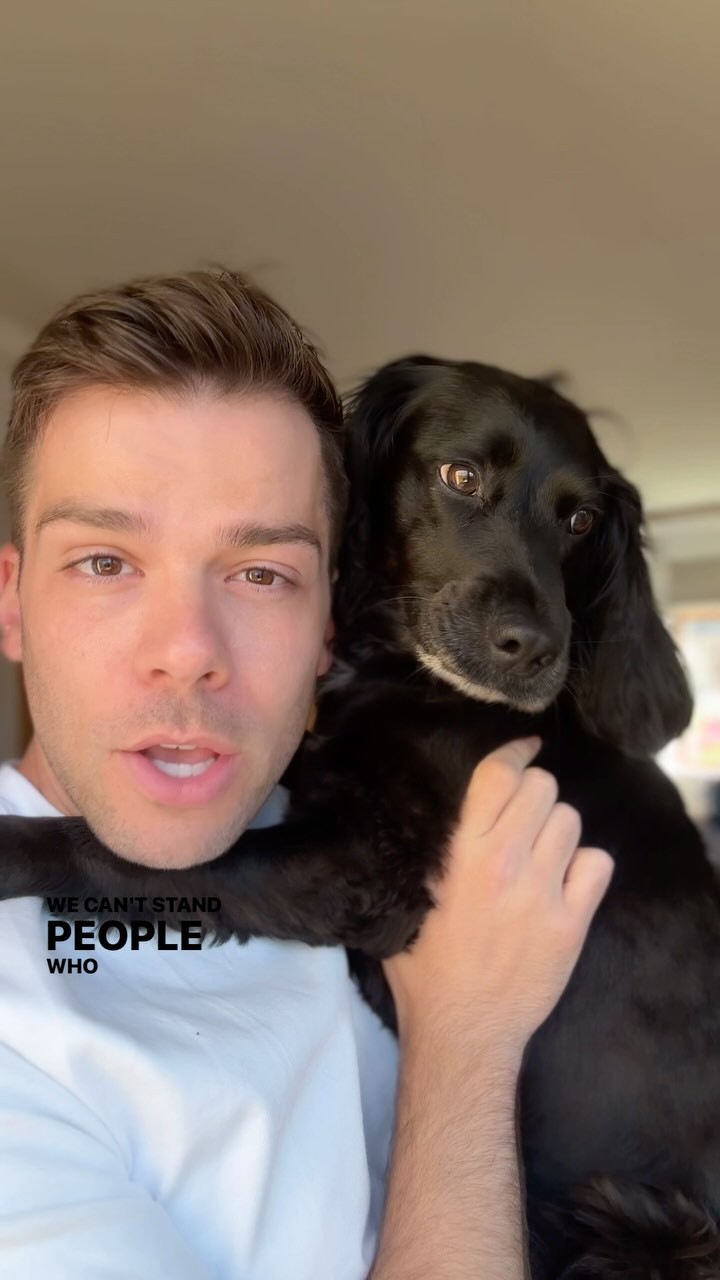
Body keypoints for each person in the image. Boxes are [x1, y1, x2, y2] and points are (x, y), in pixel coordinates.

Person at [0, 269, 613, 1280]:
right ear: (13, 603)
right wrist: (465, 1038)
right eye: (105, 561)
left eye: (261, 573)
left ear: (331, 618)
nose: (188, 650)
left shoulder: (384, 831)